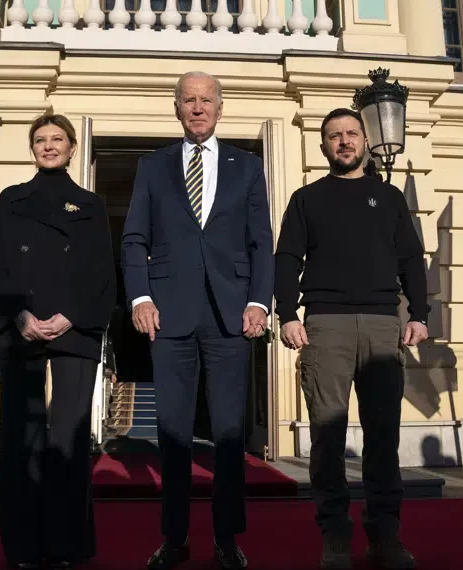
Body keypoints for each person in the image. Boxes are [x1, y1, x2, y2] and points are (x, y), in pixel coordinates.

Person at [121, 71, 273, 570]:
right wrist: (140, 297)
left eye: (207, 99)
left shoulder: (247, 166)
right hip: (168, 315)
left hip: (231, 315)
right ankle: (175, 537)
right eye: (189, 100)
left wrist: (259, 301)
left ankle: (227, 539)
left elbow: (260, 242)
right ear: (177, 108)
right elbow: (134, 239)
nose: (198, 107)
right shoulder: (152, 166)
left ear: (220, 108)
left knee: (229, 435)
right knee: (173, 434)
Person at [274, 107, 429, 570]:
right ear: (323, 146)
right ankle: (336, 537)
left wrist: (419, 314)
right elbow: (286, 259)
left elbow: (411, 258)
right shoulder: (306, 199)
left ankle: (385, 537)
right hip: (325, 326)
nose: (344, 141)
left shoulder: (390, 198)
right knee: (327, 437)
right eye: (334, 135)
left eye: (351, 133)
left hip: (383, 325)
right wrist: (287, 314)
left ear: (364, 140)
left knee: (383, 437)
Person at [0, 113, 116, 569]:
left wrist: (70, 316)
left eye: (57, 139)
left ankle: (66, 545)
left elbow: (102, 271)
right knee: (22, 438)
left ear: (72, 148)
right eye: (41, 139)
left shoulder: (91, 205)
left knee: (69, 439)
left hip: (73, 328)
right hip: (20, 328)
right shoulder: (10, 200)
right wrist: (18, 315)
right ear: (32, 148)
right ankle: (23, 547)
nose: (49, 145)